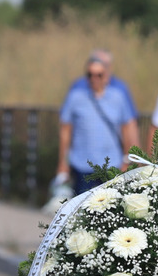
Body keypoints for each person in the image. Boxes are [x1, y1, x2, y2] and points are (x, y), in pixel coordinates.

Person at [56, 51, 137, 195]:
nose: (94, 79)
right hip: (82, 164)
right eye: (90, 75)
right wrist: (63, 162)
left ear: (106, 76)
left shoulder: (118, 97)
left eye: (99, 75)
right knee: (82, 210)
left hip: (112, 163)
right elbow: (65, 130)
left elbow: (127, 128)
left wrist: (127, 159)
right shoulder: (76, 97)